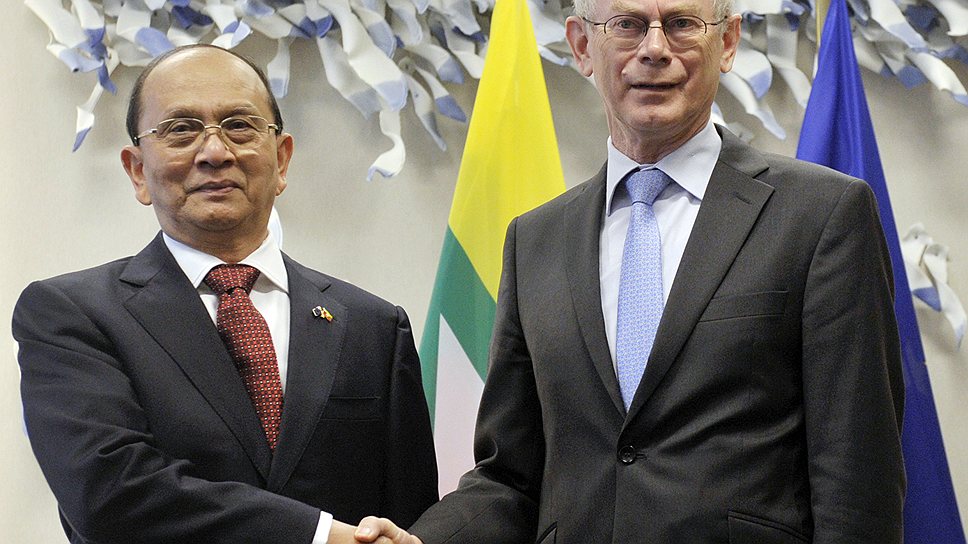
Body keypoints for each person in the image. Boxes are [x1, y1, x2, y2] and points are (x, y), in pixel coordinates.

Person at [355, 0, 906, 541]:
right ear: (581, 45)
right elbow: (511, 479)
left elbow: (859, 481)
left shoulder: (821, 215)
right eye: (628, 25)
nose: (654, 49)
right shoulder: (535, 240)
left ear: (728, 42)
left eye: (683, 24)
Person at [13, 44, 437, 544]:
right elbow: (110, 494)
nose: (215, 152)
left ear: (282, 160)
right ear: (137, 170)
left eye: (239, 126)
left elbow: (411, 516)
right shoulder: (71, 315)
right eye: (180, 129)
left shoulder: (373, 326)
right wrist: (320, 536)